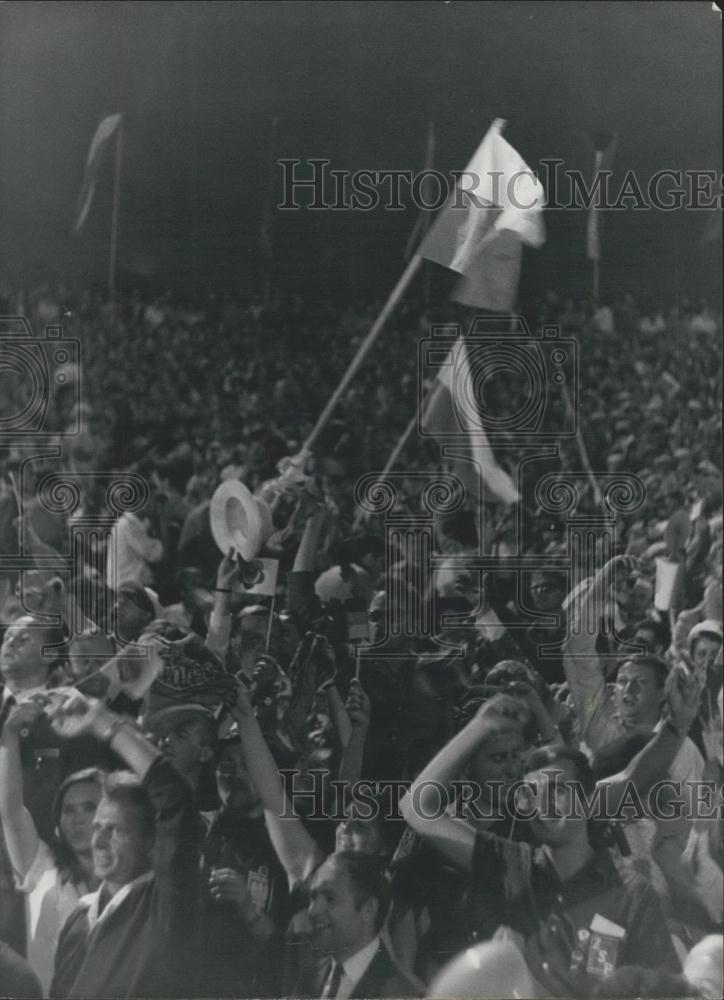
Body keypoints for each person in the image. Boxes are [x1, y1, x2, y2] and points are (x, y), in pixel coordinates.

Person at [401, 695, 681, 997]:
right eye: (531, 793)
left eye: (558, 790)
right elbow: (416, 807)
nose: (543, 805)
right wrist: (479, 727)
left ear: (588, 800)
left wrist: (519, 973)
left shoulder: (630, 895)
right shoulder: (510, 865)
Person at [49, 691, 202, 999]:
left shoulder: (164, 906)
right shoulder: (79, 919)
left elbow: (175, 799)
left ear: (150, 843)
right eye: (97, 828)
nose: (99, 840)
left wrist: (103, 722)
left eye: (115, 829)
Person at [0, 699, 103, 994]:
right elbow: (11, 808)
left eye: (89, 807)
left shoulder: (131, 883)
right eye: (69, 810)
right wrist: (8, 738)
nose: (79, 818)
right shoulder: (43, 867)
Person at [302, 851, 420, 998]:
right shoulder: (308, 975)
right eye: (313, 897)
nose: (313, 910)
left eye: (330, 898)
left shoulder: (399, 992)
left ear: (368, 909)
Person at [106, 502, 163, 591]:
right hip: (127, 587)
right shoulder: (130, 525)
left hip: (121, 583)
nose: (155, 505)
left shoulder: (124, 522)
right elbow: (153, 556)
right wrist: (160, 532)